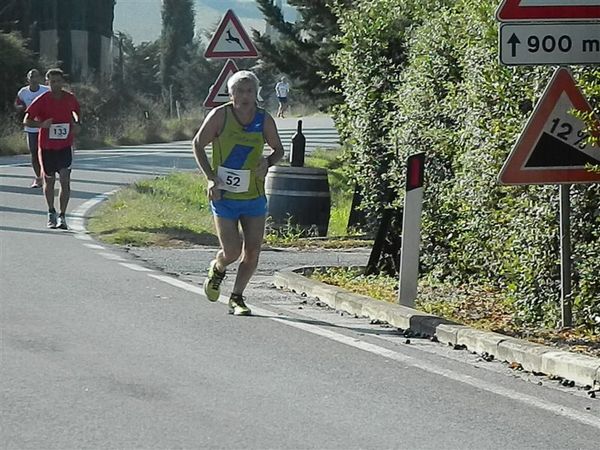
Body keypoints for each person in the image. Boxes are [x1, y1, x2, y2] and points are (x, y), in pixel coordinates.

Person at [192, 70, 284, 316]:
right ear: (230, 94)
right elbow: (198, 144)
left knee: (252, 251)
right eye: (239, 91)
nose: (245, 96)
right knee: (232, 251)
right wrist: (211, 178)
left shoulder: (263, 120)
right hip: (224, 196)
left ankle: (237, 297)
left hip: (253, 196)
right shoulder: (220, 116)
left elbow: (278, 150)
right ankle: (218, 267)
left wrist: (268, 162)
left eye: (249, 91)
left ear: (256, 94)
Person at [23, 68, 81, 230]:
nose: (56, 85)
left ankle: (62, 216)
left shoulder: (70, 98)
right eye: (52, 82)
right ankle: (51, 211)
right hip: (47, 146)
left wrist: (77, 124)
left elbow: (76, 113)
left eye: (58, 81)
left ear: (63, 82)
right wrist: (41, 124)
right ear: (47, 83)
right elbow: (27, 120)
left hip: (65, 145)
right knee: (49, 180)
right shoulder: (42, 99)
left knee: (65, 179)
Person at [14, 69, 50, 188]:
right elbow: (18, 103)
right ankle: (38, 178)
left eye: (36, 77)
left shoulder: (46, 90)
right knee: (34, 153)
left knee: (46, 152)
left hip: (46, 127)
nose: (34, 79)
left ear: (39, 79)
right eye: (31, 77)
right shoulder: (23, 92)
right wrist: (20, 107)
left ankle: (48, 176)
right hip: (31, 127)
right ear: (28, 79)